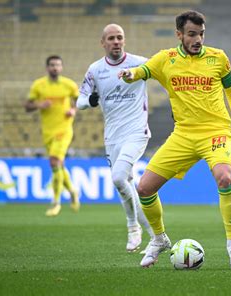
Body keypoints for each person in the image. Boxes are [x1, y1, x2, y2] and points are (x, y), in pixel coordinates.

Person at [119, 11, 231, 270]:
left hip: (215, 132)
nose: (198, 39)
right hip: (183, 134)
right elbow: (143, 70)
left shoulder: (218, 58)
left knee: (224, 178)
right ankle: (159, 238)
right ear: (179, 34)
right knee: (144, 188)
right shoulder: (165, 59)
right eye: (192, 34)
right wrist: (130, 74)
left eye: (201, 34)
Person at [76, 24, 154, 253]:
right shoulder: (95, 70)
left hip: (137, 132)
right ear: (103, 43)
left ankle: (133, 228)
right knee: (125, 184)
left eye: (120, 37)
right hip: (112, 138)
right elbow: (79, 100)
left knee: (119, 178)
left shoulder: (140, 63)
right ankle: (155, 235)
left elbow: (163, 71)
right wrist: (91, 100)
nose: (116, 42)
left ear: (124, 40)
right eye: (111, 38)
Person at [25, 55, 80, 217]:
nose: (55, 67)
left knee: (54, 161)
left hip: (64, 130)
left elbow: (79, 101)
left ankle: (56, 203)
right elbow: (27, 106)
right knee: (59, 165)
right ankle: (72, 191)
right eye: (52, 65)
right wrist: (38, 105)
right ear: (47, 67)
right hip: (47, 132)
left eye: (57, 65)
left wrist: (73, 110)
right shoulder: (39, 85)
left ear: (61, 67)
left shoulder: (69, 85)